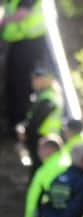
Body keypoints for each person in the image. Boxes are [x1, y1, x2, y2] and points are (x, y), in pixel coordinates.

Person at [1, 0, 48, 135]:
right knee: (13, 85)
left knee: (21, 86)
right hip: (18, 41)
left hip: (30, 43)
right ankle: (13, 125)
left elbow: (23, 13)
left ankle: (18, 126)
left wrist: (3, 21)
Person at [23, 135, 67, 217]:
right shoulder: (51, 165)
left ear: (49, 150)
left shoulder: (55, 166)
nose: (38, 152)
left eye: (40, 148)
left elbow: (53, 198)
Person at [16, 66, 63, 174]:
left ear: (43, 80)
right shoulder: (45, 95)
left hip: (45, 141)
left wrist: (24, 130)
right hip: (45, 140)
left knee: (40, 172)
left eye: (35, 79)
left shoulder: (48, 97)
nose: (33, 82)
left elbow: (35, 121)